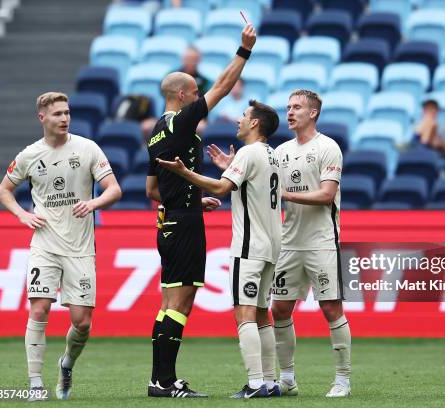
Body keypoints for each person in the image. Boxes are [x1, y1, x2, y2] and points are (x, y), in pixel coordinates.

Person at [145, 22, 257, 398]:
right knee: (181, 301)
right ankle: (162, 382)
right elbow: (223, 88)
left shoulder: (158, 131)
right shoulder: (181, 120)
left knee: (170, 302)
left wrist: (191, 199)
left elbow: (151, 189)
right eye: (194, 93)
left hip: (172, 219)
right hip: (183, 224)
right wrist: (244, 50)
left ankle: (161, 379)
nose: (199, 100)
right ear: (182, 94)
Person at [0, 92, 122, 401]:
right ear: (42, 118)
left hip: (80, 247)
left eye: (66, 113)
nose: (64, 118)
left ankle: (66, 363)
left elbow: (114, 189)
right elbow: (4, 190)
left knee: (82, 322)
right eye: (57, 114)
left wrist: (93, 203)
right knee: (39, 309)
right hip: (45, 246)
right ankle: (35, 383)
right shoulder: (28, 155)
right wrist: (22, 214)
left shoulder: (87, 148)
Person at [156, 100, 282, 399]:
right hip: (272, 244)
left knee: (244, 314)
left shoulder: (250, 153)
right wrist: (229, 168)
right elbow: (246, 185)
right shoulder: (271, 154)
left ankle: (254, 384)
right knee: (262, 313)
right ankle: (270, 380)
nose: (239, 120)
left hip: (249, 246)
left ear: (254, 124)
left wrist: (183, 172)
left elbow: (220, 189)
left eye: (244, 116)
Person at [270, 89, 351, 398]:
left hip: (322, 242)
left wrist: (285, 195)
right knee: (279, 310)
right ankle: (287, 379)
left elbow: (326, 195)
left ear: (313, 113)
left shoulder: (328, 147)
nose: (290, 112)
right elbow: (265, 188)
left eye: (297, 107)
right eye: (289, 107)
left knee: (331, 308)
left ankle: (342, 379)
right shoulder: (279, 152)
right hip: (289, 243)